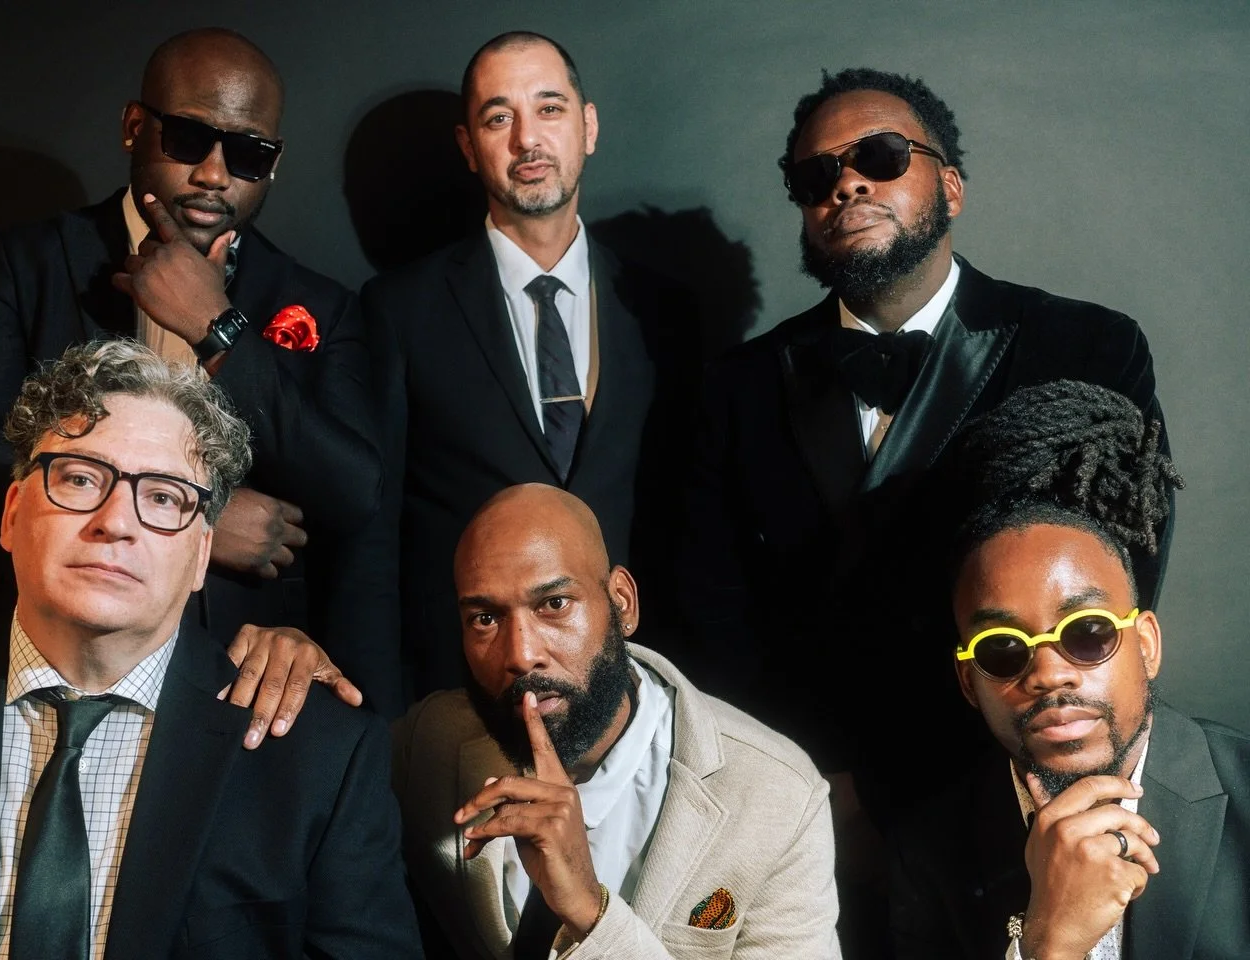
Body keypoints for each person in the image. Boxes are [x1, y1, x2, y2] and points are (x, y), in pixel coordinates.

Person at [0, 341, 422, 959]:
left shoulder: (321, 757)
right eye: (80, 478)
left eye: (162, 497)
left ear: (202, 554)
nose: (116, 522)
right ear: (12, 514)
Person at [681, 66, 1171, 819]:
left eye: (880, 157)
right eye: (817, 176)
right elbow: (713, 613)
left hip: (1020, 772)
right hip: (818, 790)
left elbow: (1119, 572)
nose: (847, 185)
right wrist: (803, 776)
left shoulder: (1088, 347)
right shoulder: (735, 388)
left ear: (951, 187)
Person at [0, 27, 396, 719]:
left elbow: (353, 493)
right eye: (189, 139)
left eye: (248, 153)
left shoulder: (323, 304)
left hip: (236, 679)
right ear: (134, 127)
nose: (214, 175)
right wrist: (196, 516)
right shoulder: (27, 263)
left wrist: (218, 329)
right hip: (31, 653)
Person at [392, 484, 839, 959]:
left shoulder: (778, 796)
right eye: (485, 618)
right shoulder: (432, 741)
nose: (520, 654)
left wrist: (590, 911)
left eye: (554, 604)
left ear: (622, 602)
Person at [359, 32, 670, 701]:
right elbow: (372, 534)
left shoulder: (662, 309)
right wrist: (382, 718)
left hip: (633, 688)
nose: (528, 139)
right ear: (469, 146)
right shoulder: (399, 310)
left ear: (588, 127)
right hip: (462, 691)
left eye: (549, 109)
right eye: (499, 118)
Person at [888, 380, 1248, 959]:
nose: (1049, 674)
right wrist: (1048, 943)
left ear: (1146, 645)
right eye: (1003, 649)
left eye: (1087, 633)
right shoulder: (925, 854)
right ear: (969, 682)